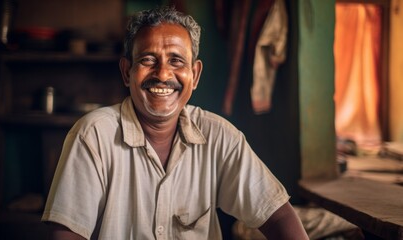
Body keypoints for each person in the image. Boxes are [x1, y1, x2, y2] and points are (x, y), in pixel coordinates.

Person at [42, 6, 309, 240]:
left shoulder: (218, 137)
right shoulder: (94, 135)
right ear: (127, 72)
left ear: (194, 75)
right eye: (148, 60)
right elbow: (67, 233)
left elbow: (277, 216)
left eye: (176, 61)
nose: (162, 74)